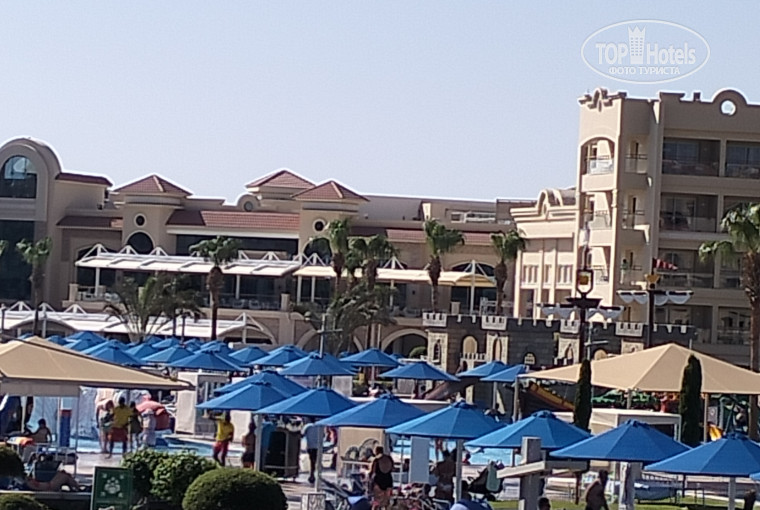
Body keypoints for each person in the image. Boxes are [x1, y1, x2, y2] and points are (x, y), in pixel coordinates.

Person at [302, 418, 321, 484]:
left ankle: (312, 475)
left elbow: (302, 434)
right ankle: (314, 475)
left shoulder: (307, 426)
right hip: (318, 446)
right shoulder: (319, 426)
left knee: (312, 461)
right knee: (315, 461)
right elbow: (323, 435)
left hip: (310, 446)